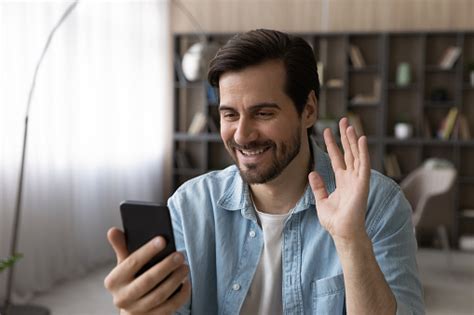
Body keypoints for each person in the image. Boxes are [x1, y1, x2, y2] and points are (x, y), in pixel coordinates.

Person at [104, 29, 424, 314]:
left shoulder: (378, 204)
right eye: (230, 114)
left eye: (263, 113)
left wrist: (351, 240)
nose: (242, 135)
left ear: (308, 109)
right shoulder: (190, 206)